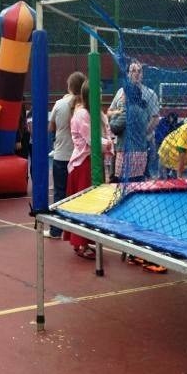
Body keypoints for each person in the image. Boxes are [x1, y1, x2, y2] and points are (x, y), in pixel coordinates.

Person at [65, 81, 113, 259]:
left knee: (93, 205)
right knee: (83, 206)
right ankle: (80, 243)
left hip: (93, 162)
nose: (100, 97)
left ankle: (85, 240)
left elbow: (106, 133)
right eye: (97, 94)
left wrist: (108, 143)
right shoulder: (82, 114)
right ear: (88, 95)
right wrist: (108, 144)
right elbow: (94, 140)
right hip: (83, 164)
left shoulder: (97, 114)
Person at [45, 71, 86, 239]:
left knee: (59, 193)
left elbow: (51, 127)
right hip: (80, 157)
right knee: (79, 195)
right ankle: (78, 231)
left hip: (62, 155)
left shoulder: (60, 104)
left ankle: (56, 230)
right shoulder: (86, 106)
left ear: (69, 87)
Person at [108, 60, 159, 181]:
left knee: (142, 179)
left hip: (144, 144)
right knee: (118, 178)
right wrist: (120, 114)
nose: (136, 73)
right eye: (133, 71)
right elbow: (110, 111)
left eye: (139, 71)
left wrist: (141, 133)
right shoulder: (121, 92)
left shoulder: (150, 94)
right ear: (128, 74)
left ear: (142, 74)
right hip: (122, 144)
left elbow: (155, 118)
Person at [158, 108, 187, 179]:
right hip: (167, 155)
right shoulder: (186, 131)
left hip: (182, 162)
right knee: (165, 183)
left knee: (184, 183)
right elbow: (181, 154)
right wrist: (179, 175)